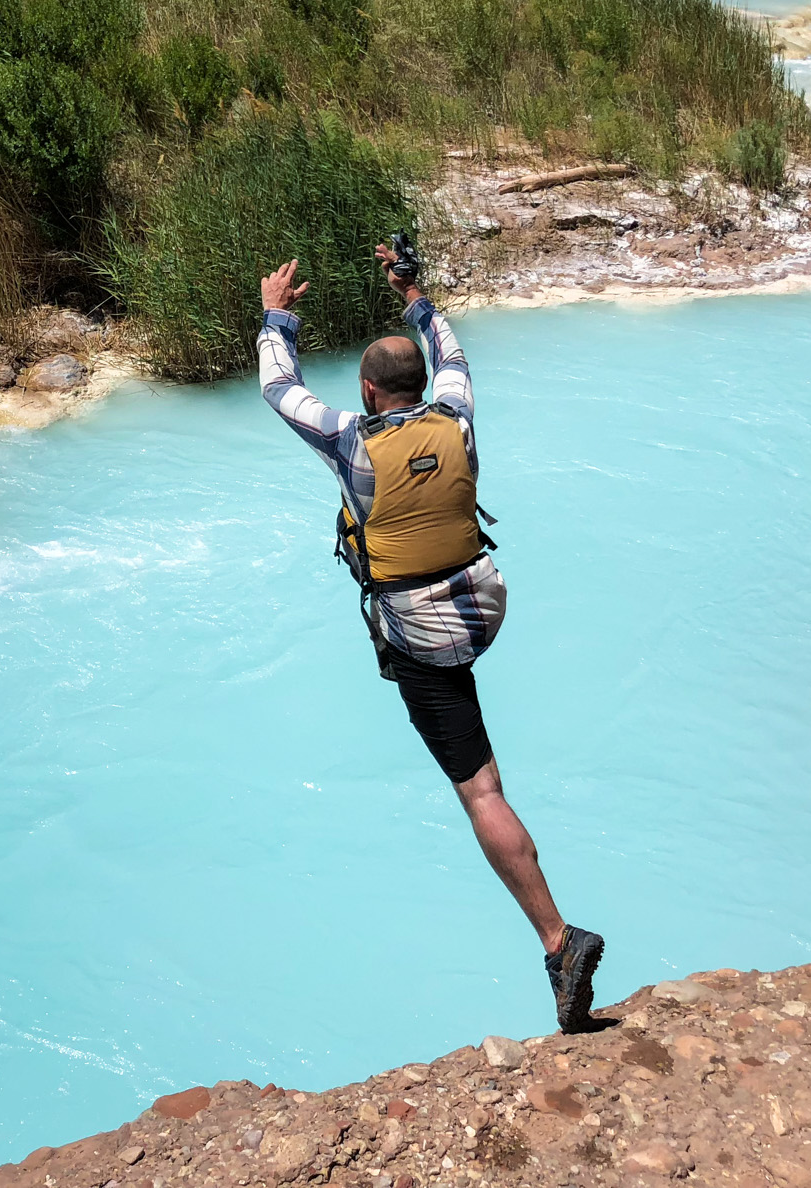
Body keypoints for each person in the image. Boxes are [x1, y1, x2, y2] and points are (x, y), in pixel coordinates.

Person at [257, 244, 606, 1033]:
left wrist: (277, 314)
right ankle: (555, 940)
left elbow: (282, 389)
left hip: (423, 631)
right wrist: (414, 292)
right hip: (483, 604)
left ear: (370, 391)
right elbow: (454, 353)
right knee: (459, 692)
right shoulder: (457, 415)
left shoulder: (354, 444)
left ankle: (559, 941)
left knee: (481, 790)